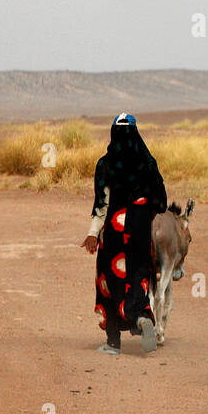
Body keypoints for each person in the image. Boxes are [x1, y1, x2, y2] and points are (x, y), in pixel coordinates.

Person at [82, 113, 167, 355]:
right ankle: (140, 317)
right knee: (138, 276)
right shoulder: (148, 163)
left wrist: (92, 234)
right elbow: (161, 202)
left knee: (109, 281)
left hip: (115, 231)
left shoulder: (106, 165)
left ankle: (113, 341)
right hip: (140, 230)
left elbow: (102, 204)